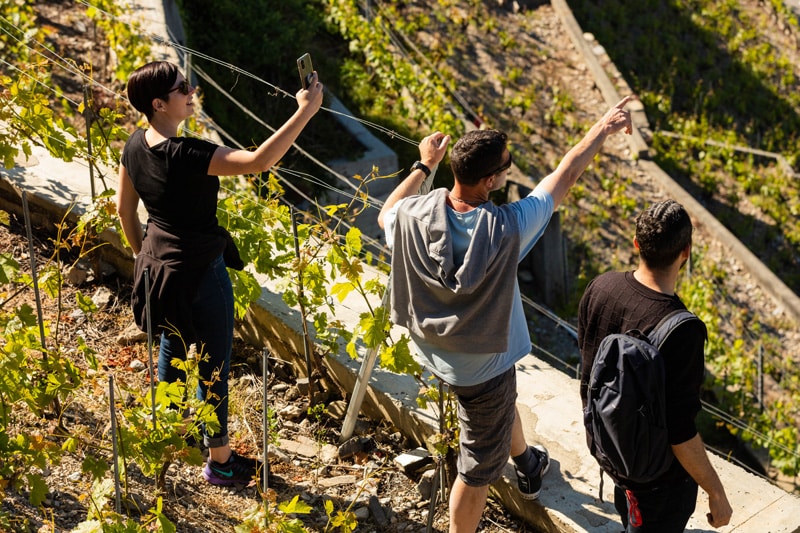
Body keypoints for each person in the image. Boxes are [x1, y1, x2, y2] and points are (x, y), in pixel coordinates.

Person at [378, 96, 635, 532]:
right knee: (476, 469)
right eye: (508, 164)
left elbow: (386, 211)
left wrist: (423, 166)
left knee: (497, 408)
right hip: (482, 366)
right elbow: (565, 174)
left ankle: (528, 462)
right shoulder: (509, 227)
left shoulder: (412, 214)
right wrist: (602, 129)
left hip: (431, 349)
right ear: (492, 179)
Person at [116, 60, 323, 486]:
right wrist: (305, 110)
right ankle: (221, 461)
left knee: (172, 344)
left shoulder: (134, 145)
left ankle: (170, 434)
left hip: (160, 268)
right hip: (202, 273)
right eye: (181, 87)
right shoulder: (189, 154)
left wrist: (143, 259)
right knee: (214, 364)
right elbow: (259, 161)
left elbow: (125, 210)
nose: (191, 90)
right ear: (159, 103)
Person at [578, 199, 733, 532]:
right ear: (686, 252)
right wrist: (716, 491)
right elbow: (680, 431)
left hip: (610, 448)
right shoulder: (682, 329)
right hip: (659, 481)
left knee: (632, 510)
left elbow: (589, 366)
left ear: (637, 243)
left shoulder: (600, 288)